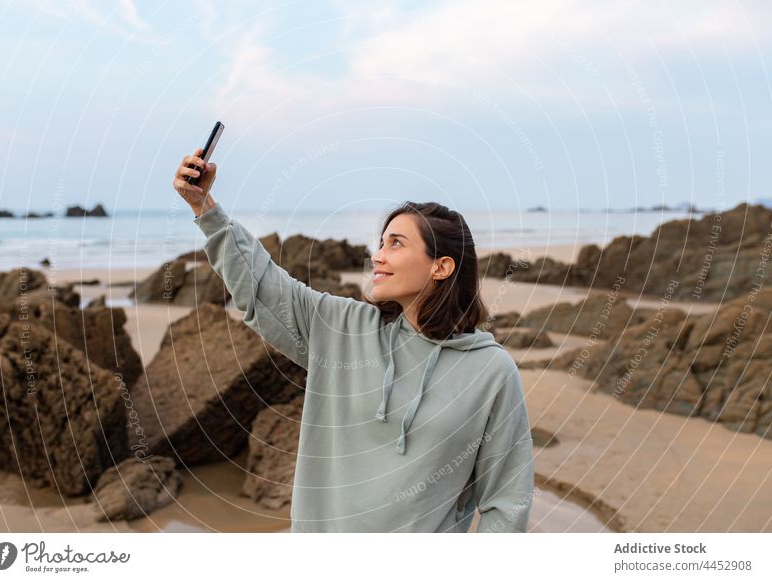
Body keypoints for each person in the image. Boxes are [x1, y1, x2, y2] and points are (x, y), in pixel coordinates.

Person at [173, 148, 535, 533]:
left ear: (441, 266)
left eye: (396, 243)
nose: (377, 256)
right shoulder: (342, 327)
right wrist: (205, 208)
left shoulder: (490, 371)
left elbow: (507, 499)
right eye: (380, 243)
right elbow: (261, 284)